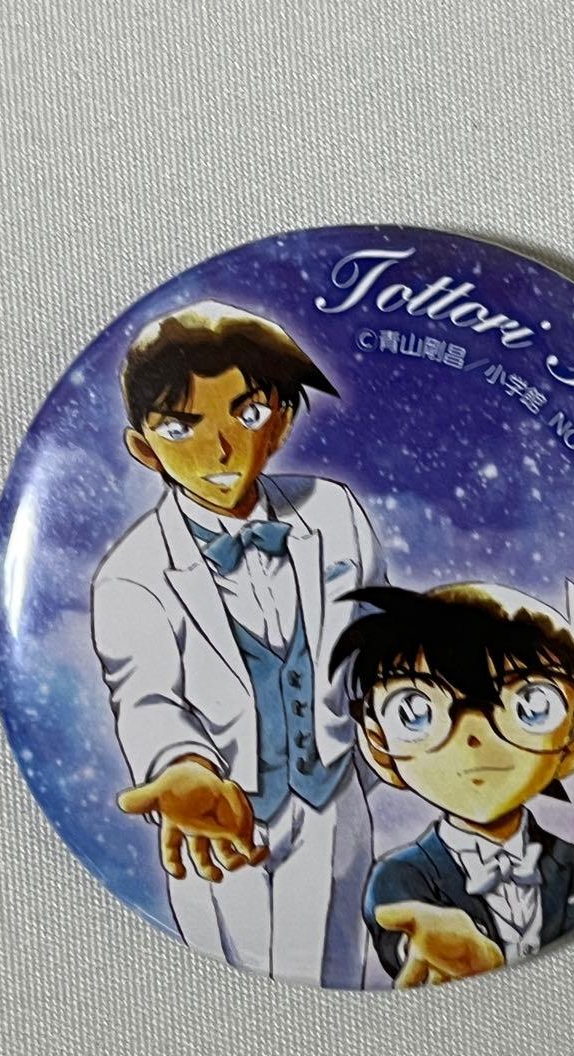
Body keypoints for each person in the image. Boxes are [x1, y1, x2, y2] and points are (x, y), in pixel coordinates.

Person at [92, 301, 385, 987]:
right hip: (217, 821)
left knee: (337, 979)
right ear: (144, 447)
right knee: (240, 984)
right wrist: (182, 767)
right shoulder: (132, 572)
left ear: (280, 422)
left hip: (333, 800)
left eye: (246, 414)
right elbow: (146, 696)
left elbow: (374, 647)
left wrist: (382, 751)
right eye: (180, 426)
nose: (219, 449)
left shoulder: (335, 514)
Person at [329, 581, 574, 988]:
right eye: (414, 711)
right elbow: (403, 940)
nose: (473, 736)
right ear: (378, 744)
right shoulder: (399, 875)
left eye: (531, 706)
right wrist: (429, 951)